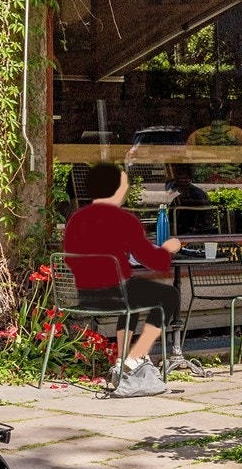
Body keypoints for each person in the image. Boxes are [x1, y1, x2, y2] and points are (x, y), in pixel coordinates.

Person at [62, 163, 182, 398]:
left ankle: (121, 360)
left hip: (86, 295)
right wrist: (169, 248)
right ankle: (135, 357)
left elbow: (69, 258)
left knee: (134, 297)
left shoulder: (75, 219)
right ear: (117, 189)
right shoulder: (125, 220)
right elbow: (155, 261)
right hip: (117, 294)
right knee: (169, 295)